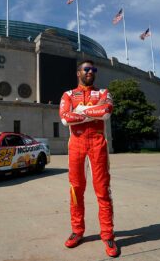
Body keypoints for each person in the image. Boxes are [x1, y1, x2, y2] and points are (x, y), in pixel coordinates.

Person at [59, 60, 119, 258]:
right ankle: (77, 231)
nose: (90, 72)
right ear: (78, 73)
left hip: (97, 143)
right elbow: (65, 118)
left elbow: (106, 112)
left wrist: (80, 111)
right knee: (76, 189)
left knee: (103, 190)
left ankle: (108, 235)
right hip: (76, 144)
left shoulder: (103, 92)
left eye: (93, 69)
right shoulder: (68, 94)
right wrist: (92, 113)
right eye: (86, 69)